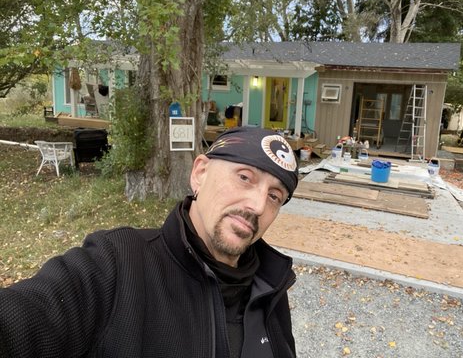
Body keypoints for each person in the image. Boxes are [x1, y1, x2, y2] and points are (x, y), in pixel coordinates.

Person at [0, 127, 299, 358]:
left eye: (275, 196)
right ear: (200, 173)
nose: (258, 205)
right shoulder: (117, 263)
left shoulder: (270, 287)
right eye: (245, 177)